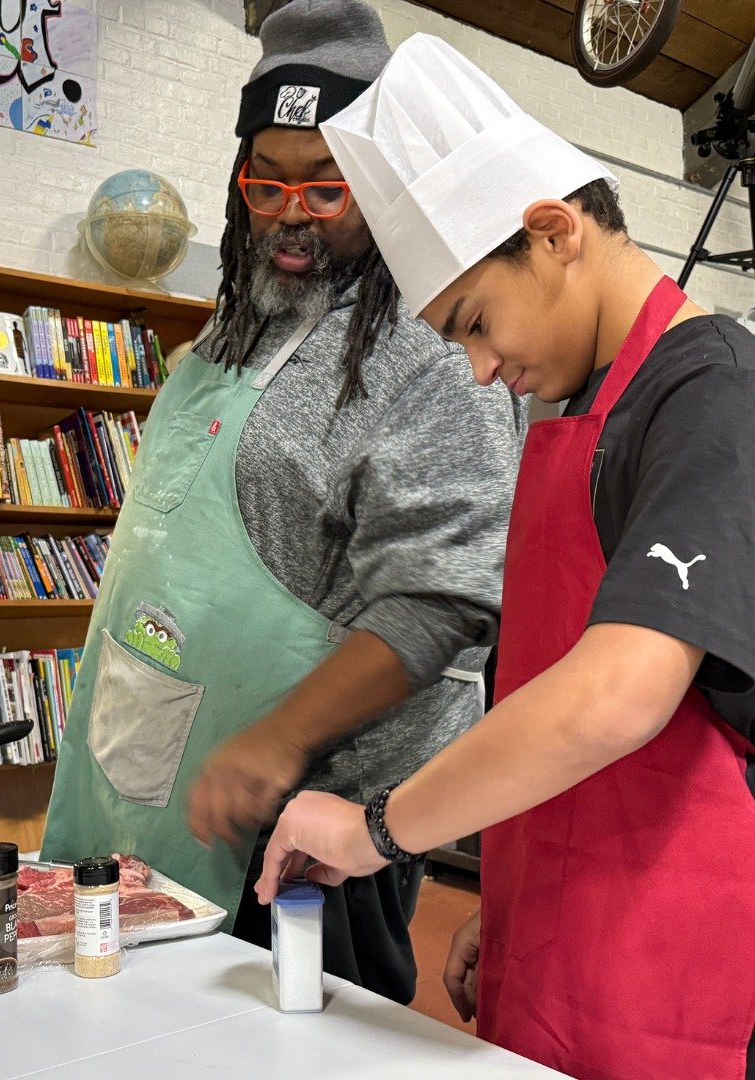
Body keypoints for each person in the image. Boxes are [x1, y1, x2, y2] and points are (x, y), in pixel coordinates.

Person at [257, 33, 755, 1080]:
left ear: (553, 231)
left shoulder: (708, 395)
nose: (480, 370)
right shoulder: (580, 406)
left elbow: (617, 696)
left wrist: (377, 830)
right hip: (563, 928)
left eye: (476, 323)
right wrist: (512, 894)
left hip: (671, 959)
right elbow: (539, 696)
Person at [39, 3, 524, 1003]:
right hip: (133, 772)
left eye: (327, 187)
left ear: (384, 189)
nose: (291, 213)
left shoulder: (432, 360)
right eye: (268, 182)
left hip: (305, 833)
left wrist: (278, 740)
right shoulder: (222, 339)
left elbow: (442, 602)